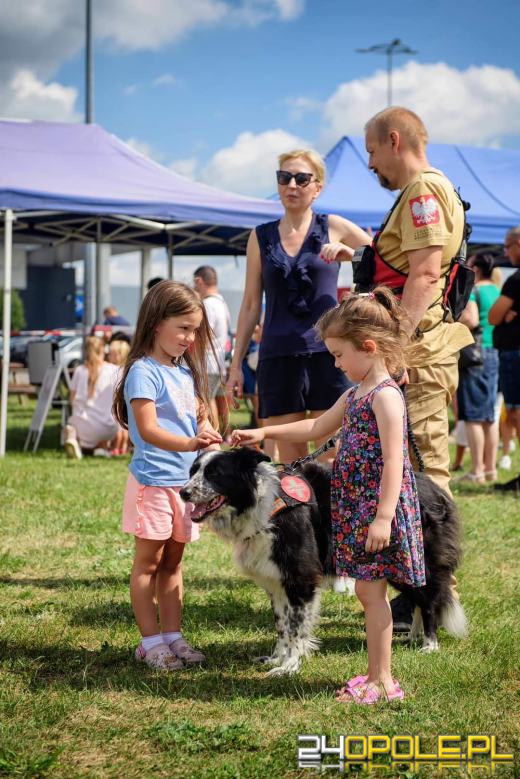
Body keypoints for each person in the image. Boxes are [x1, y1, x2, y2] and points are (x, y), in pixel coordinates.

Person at [232, 288, 424, 703]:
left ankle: (382, 682)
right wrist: (263, 432)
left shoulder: (385, 397)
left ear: (368, 348)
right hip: (360, 506)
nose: (335, 363)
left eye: (339, 355)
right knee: (366, 593)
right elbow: (315, 428)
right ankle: (376, 676)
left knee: (371, 595)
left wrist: (383, 518)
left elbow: (396, 462)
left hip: (376, 510)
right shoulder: (356, 393)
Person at [320, 107, 472, 632]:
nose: (369, 163)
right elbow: (402, 265)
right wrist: (359, 252)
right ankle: (416, 589)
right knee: (410, 470)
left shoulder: (424, 192)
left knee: (427, 473)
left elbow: (426, 274)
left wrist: (392, 352)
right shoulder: (416, 195)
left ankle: (434, 595)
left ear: (393, 140)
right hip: (415, 351)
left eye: (371, 150)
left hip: (419, 354)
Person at [226, 148, 372, 464]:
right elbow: (251, 304)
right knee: (291, 462)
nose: (292, 185)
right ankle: (301, 514)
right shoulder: (260, 236)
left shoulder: (334, 225)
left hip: (330, 355)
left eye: (301, 178)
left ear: (317, 187)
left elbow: (384, 262)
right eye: (284, 177)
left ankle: (334, 515)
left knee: (332, 456)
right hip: (277, 355)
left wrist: (352, 255)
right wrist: (236, 365)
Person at [112, 281, 222, 670]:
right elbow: (148, 430)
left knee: (174, 563)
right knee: (148, 563)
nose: (190, 339)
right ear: (156, 323)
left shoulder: (183, 372)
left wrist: (207, 430)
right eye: (183, 328)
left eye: (194, 331)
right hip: (154, 483)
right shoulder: (144, 372)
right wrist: (191, 443)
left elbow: (197, 414)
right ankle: (149, 641)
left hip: (185, 487)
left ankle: (173, 637)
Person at [455, 253, 500, 483]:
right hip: (493, 352)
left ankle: (477, 471)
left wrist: (452, 319)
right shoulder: (496, 289)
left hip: (474, 356)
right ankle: (490, 469)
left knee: (473, 417)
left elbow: (471, 319)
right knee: (489, 416)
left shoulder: (474, 289)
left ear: (476, 268)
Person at [489, 226, 520, 492]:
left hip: (514, 353)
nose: (505, 252)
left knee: (515, 411)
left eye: (508, 246)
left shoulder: (516, 279)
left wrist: (510, 313)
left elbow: (493, 317)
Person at [64, 336, 119, 459]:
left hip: (83, 427)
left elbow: (72, 400)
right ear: (102, 350)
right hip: (109, 428)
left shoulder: (79, 371)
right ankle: (101, 448)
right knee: (103, 426)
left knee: (71, 427)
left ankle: (75, 442)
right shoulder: (115, 370)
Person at [193, 265, 231, 432]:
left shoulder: (207, 305)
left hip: (207, 363)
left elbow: (201, 335)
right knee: (211, 400)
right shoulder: (222, 303)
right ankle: (217, 434)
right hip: (218, 362)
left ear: (199, 281)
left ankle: (212, 435)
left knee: (205, 402)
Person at [107, 339, 131, 456]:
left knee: (119, 426)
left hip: (117, 402)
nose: (108, 356)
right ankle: (124, 447)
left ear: (117, 355)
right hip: (123, 402)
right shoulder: (127, 369)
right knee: (123, 427)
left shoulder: (113, 370)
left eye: (111, 353)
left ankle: (117, 447)